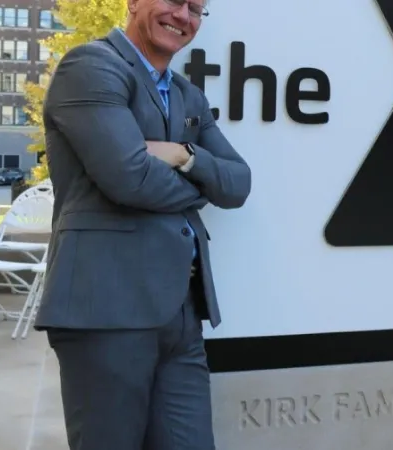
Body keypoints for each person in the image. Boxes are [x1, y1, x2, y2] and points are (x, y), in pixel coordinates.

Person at [34, 0, 251, 448]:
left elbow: (238, 182)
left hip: (181, 314)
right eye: (174, 0)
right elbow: (130, 178)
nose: (183, 16)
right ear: (133, 2)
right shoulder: (91, 66)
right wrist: (201, 187)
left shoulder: (189, 95)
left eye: (196, 8)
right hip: (108, 309)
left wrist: (182, 155)